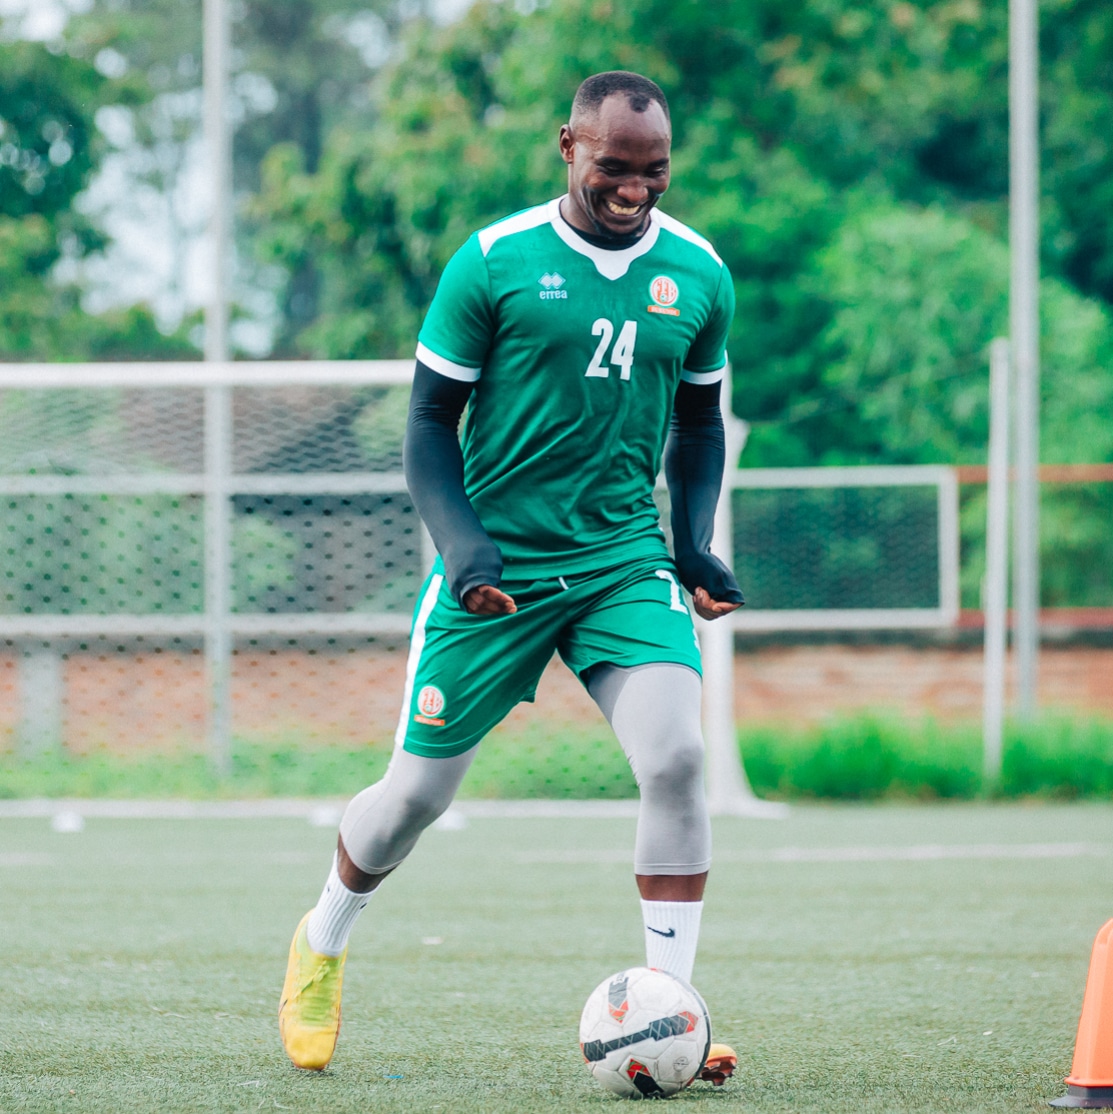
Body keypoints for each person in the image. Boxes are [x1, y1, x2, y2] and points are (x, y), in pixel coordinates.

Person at [278, 70, 744, 1086]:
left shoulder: (700, 273)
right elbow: (426, 427)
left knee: (674, 755)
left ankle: (675, 1007)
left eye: (654, 170)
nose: (635, 188)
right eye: (614, 167)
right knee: (412, 798)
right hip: (495, 566)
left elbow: (699, 422)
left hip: (623, 557)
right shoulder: (493, 262)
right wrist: (461, 545)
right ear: (566, 146)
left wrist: (696, 543)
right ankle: (321, 938)